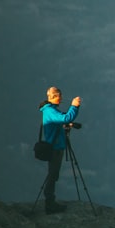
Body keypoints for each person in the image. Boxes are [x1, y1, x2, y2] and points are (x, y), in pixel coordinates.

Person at [38, 86, 81, 214]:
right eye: (59, 96)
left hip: (56, 147)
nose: (61, 99)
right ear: (53, 97)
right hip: (55, 149)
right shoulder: (50, 111)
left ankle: (50, 201)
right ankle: (50, 203)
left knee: (53, 174)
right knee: (53, 175)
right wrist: (74, 106)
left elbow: (62, 120)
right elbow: (66, 118)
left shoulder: (50, 111)